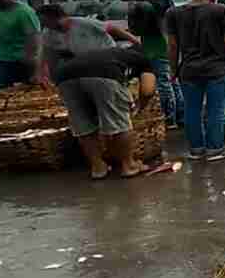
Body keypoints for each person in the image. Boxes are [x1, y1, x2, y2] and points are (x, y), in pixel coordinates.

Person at [165, 0, 225, 161]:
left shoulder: (173, 13)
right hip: (217, 69)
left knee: (192, 111)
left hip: (189, 70)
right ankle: (214, 150)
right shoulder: (221, 11)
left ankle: (196, 150)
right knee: (215, 110)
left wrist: (173, 70)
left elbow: (173, 45)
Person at [46, 45, 157, 179]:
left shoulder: (112, 53)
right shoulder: (143, 60)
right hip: (103, 73)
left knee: (83, 124)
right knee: (119, 122)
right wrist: (140, 108)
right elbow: (148, 90)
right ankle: (129, 165)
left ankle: (98, 167)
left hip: (64, 76)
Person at [120, 0, 182, 128]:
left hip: (155, 48)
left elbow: (136, 30)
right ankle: (180, 116)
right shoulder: (167, 1)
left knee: (163, 84)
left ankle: (169, 119)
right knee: (174, 82)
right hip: (172, 46)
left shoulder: (140, 6)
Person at [35, 4, 138, 84]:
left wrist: (136, 42)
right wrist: (43, 73)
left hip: (107, 56)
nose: (42, 23)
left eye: (44, 20)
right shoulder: (49, 33)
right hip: (86, 61)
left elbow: (112, 29)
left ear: (53, 17)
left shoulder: (83, 23)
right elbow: (46, 53)